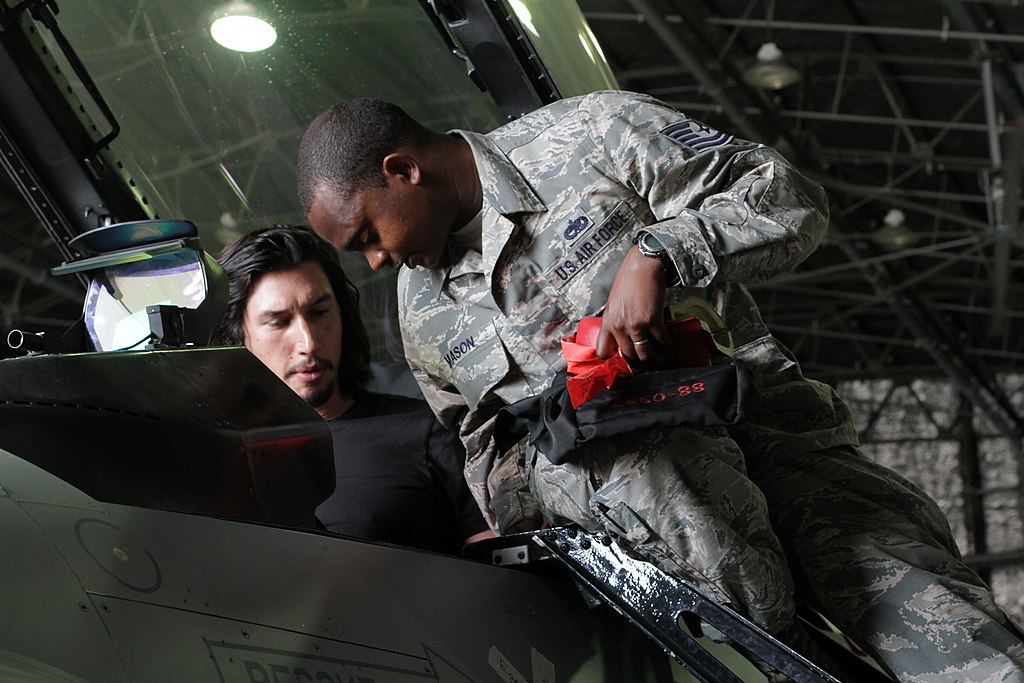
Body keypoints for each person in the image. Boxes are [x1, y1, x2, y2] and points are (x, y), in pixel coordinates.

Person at [296, 90, 1024, 681]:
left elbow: (786, 198)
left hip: (782, 454)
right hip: (677, 558)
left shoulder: (593, 135)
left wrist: (656, 256)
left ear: (402, 169)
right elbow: (483, 443)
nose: (376, 262)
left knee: (964, 651)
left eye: (366, 235)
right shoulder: (421, 305)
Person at [215, 224, 492, 555]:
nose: (309, 343)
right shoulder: (223, 463)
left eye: (319, 312)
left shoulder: (426, 430)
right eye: (279, 322)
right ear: (238, 334)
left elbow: (507, 570)